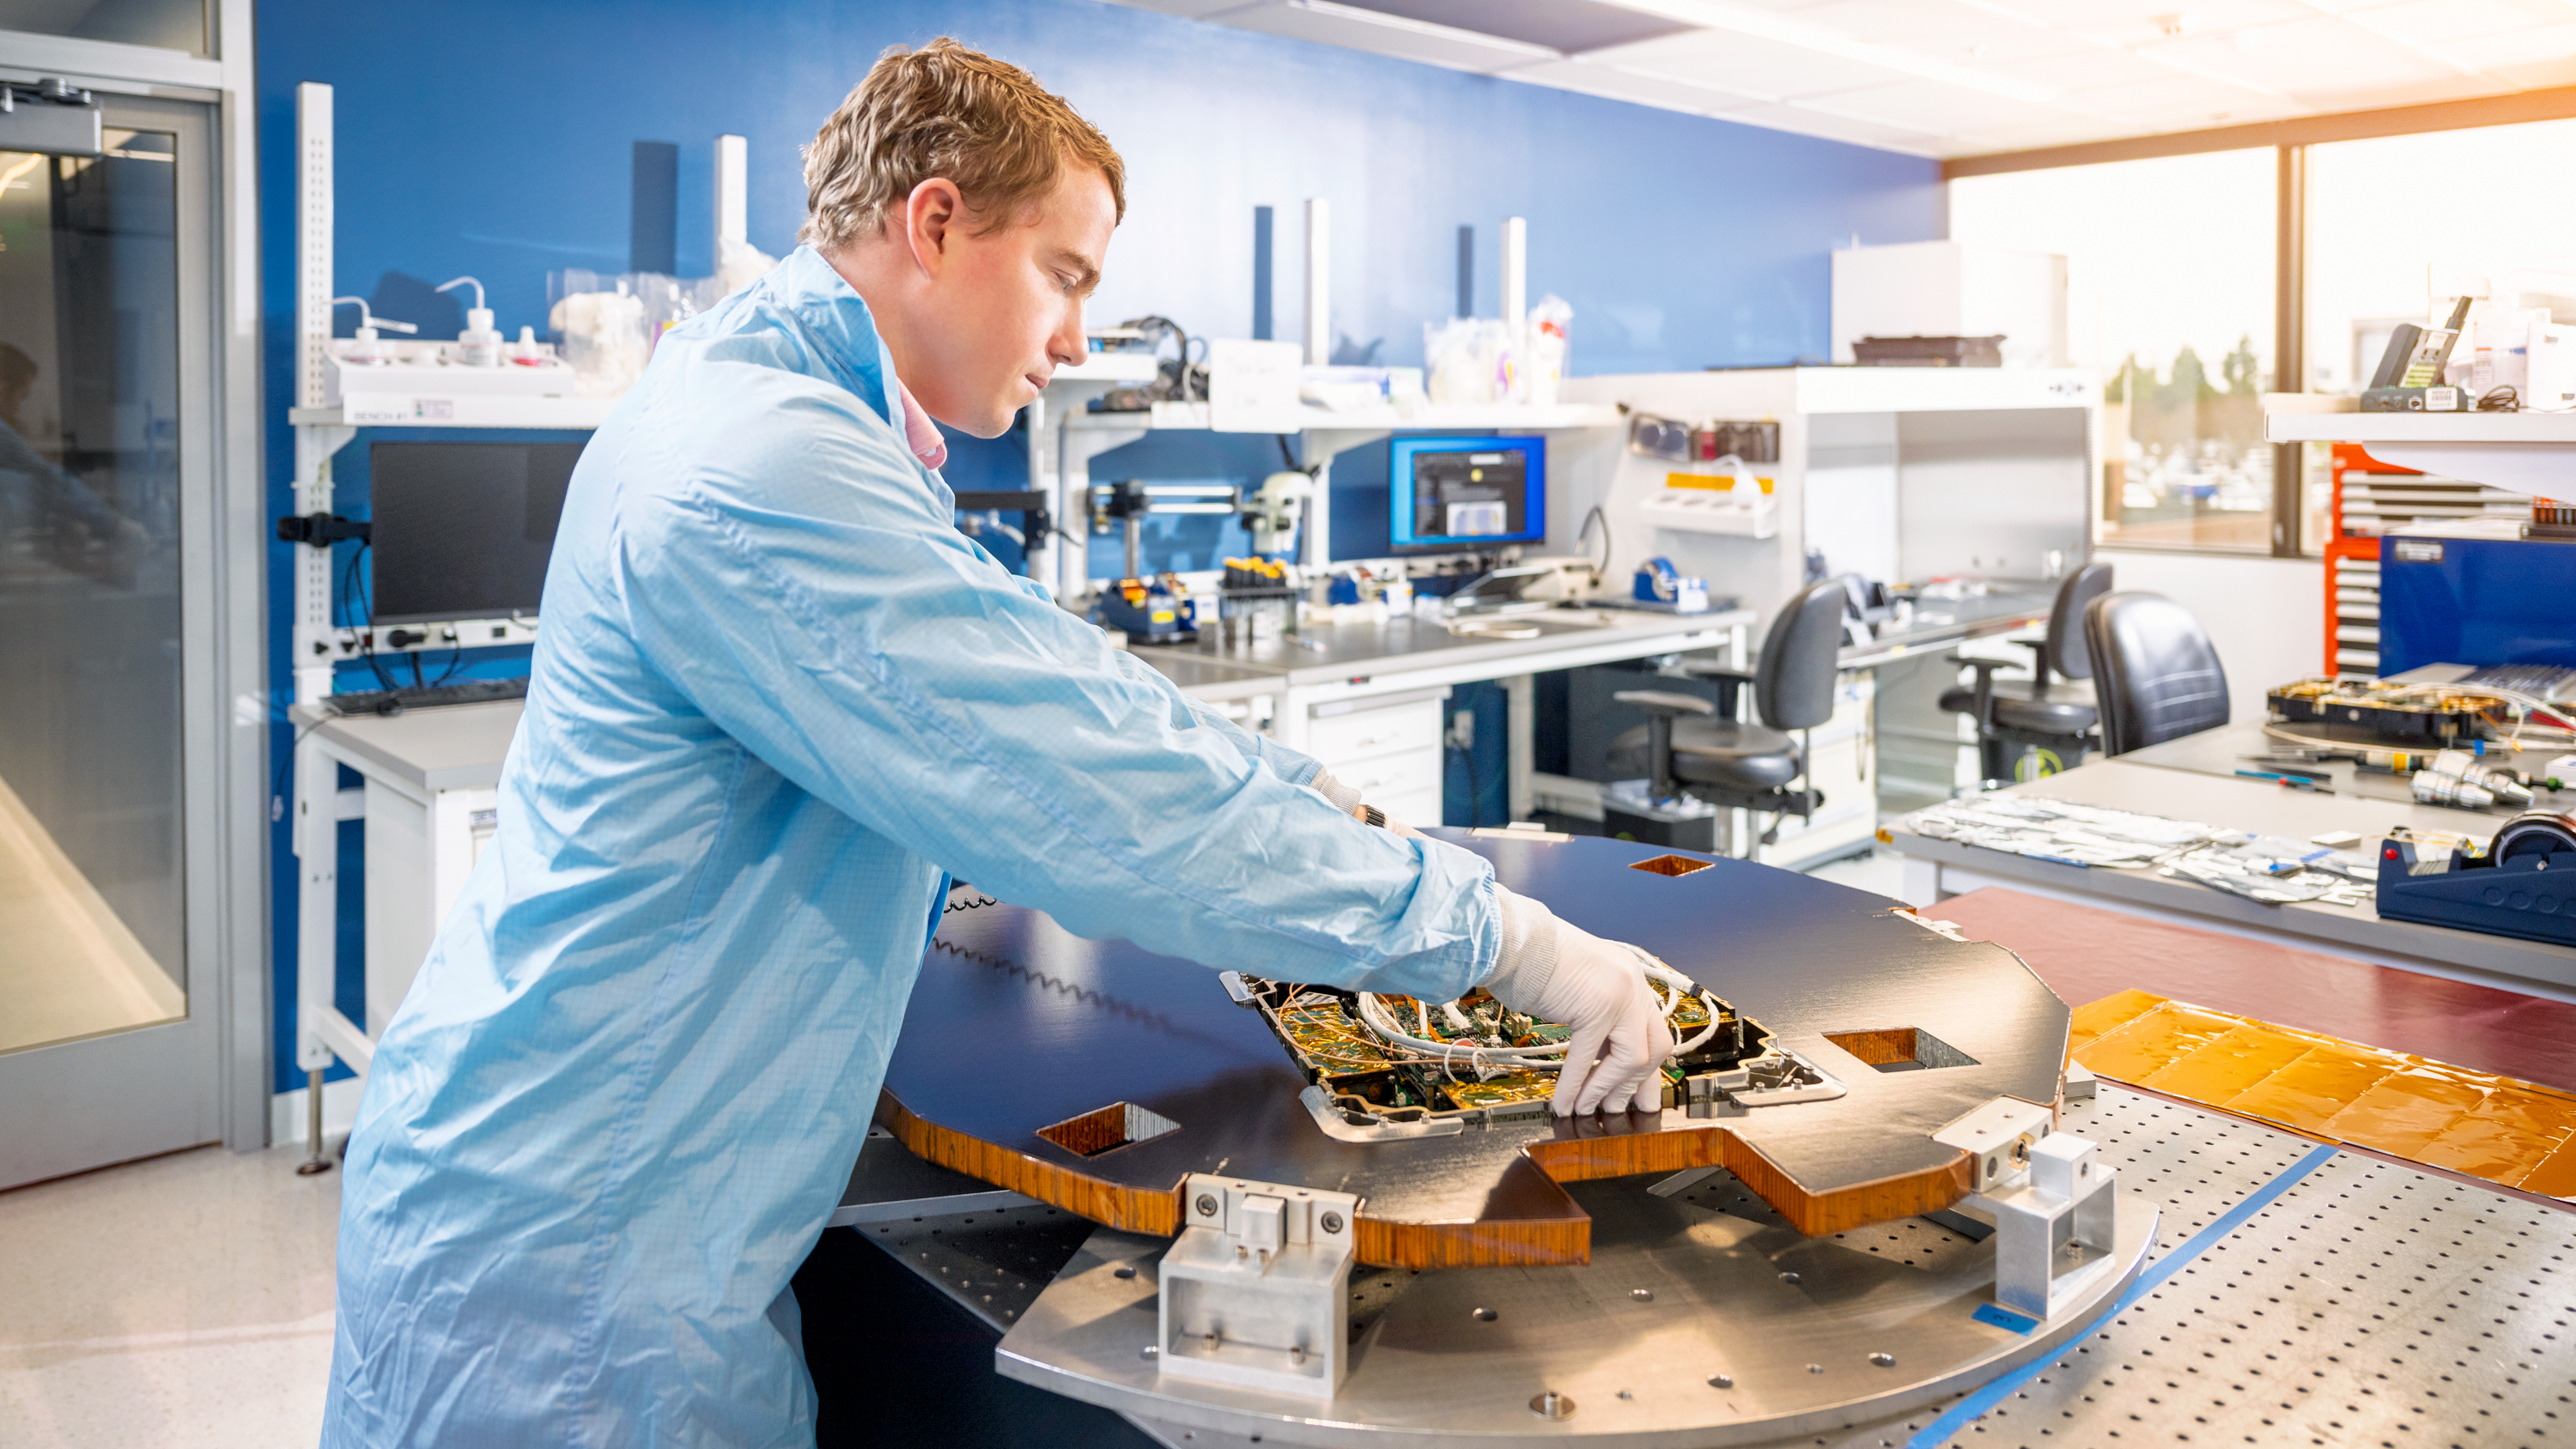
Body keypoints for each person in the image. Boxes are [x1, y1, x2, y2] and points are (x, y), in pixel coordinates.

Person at [321, 39, 1674, 1446]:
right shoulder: (765, 466)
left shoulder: (788, 411)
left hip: (598, 1196)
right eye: (1068, 277)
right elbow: (1104, 803)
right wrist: (1514, 946)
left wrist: (1305, 789)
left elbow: (1054, 678)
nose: (1079, 339)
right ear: (936, 222)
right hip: (579, 1263)